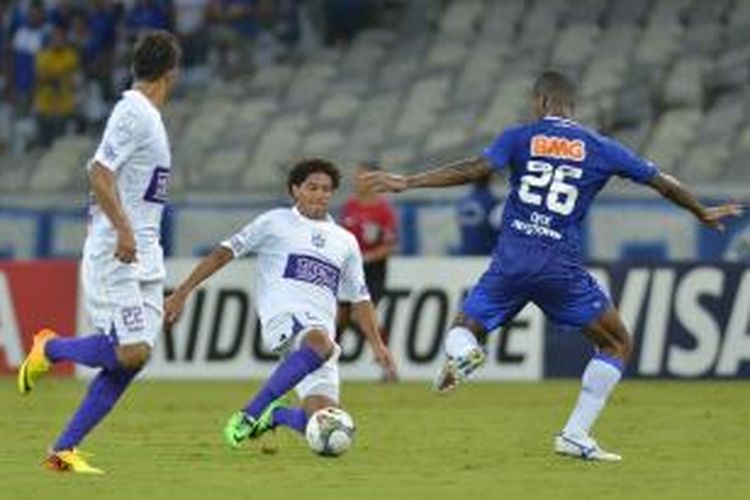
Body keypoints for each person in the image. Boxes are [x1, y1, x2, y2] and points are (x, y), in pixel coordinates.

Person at [365, 71, 742, 462]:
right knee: (616, 343)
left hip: (511, 259)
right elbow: (661, 181)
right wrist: (699, 210)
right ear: (570, 105)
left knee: (465, 327)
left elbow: (475, 168)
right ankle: (575, 434)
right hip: (559, 265)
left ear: (540, 102)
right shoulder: (601, 146)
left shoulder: (519, 136)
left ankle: (463, 353)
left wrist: (408, 181)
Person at [17, 30, 181, 474]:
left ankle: (62, 450)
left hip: (145, 255)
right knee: (130, 352)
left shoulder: (147, 115)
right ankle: (50, 349)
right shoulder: (134, 113)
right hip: (118, 251)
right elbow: (98, 172)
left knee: (132, 360)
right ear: (173, 73)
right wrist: (124, 231)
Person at [164, 158, 396, 449]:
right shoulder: (274, 222)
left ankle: (277, 416)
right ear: (295, 190)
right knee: (320, 343)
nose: (320, 194)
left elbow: (360, 297)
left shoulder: (345, 241)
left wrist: (377, 344)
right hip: (286, 320)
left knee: (324, 424)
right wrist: (183, 291)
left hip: (319, 338)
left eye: (326, 189)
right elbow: (223, 253)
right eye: (312, 187)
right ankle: (251, 413)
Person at [339, 161, 398, 380]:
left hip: (373, 271)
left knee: (362, 313)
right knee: (341, 317)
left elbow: (390, 244)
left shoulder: (383, 210)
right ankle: (323, 364)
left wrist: (368, 257)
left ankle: (386, 364)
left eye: (364, 177)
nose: (358, 181)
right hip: (349, 272)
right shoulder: (350, 206)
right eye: (358, 176)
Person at [456, 174, 502, 255]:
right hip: (486, 254)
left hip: (465, 253)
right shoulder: (493, 202)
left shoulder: (462, 202)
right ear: (490, 179)